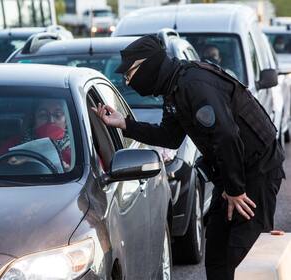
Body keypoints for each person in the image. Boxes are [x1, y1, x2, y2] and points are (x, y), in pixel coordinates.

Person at [92, 35, 285, 280]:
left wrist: (235, 189)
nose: (128, 81)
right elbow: (170, 137)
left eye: (130, 73)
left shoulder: (193, 85)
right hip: (232, 170)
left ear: (148, 66)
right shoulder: (174, 89)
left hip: (257, 170)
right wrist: (124, 124)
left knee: (245, 254)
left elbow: (226, 136)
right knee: (217, 251)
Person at [0, 98, 71, 174]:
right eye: (43, 115)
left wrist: (68, 172)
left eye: (57, 115)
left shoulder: (76, 148)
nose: (51, 121)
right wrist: (8, 165)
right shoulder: (15, 143)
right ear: (33, 120)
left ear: (66, 121)